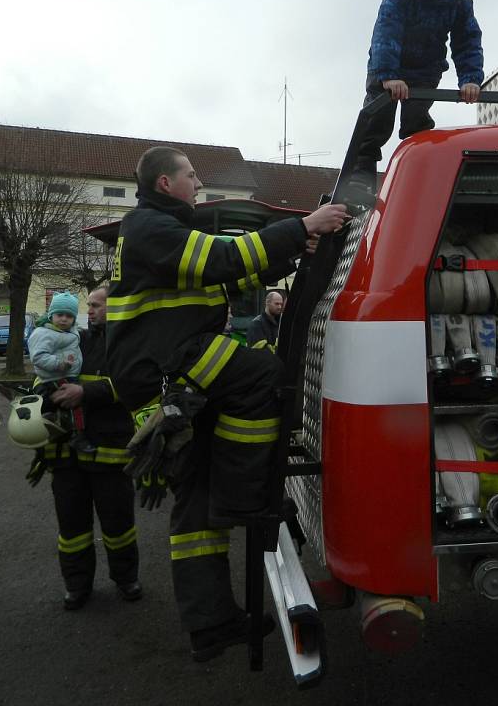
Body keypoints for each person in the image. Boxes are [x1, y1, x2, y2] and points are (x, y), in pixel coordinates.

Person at [106, 145, 347, 661]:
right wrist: (304, 224)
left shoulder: (157, 229)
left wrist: (290, 251)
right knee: (262, 372)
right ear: (166, 184)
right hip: (166, 364)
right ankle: (245, 495)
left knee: (195, 509)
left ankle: (212, 624)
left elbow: (228, 274)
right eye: (191, 176)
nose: (198, 183)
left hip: (164, 363)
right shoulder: (150, 228)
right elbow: (222, 258)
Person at [347, 0, 484, 204]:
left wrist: (470, 78)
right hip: (386, 69)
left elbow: (467, 40)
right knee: (376, 123)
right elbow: (386, 31)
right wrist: (388, 74)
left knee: (417, 123)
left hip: (424, 71)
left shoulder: (459, 2)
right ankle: (361, 181)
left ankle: (418, 174)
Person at [37, 285, 141, 610]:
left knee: (118, 522)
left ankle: (126, 578)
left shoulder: (129, 342)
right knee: (72, 526)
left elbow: (134, 385)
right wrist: (44, 394)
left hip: (109, 450)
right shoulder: (74, 339)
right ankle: (77, 585)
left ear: (116, 306)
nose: (90, 310)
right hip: (66, 452)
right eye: (90, 305)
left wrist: (85, 393)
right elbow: (45, 374)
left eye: (97, 304)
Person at [28, 290, 95, 455]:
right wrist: (59, 364)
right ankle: (77, 435)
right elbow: (38, 357)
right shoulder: (44, 333)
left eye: (69, 316)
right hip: (56, 376)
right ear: (51, 315)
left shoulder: (69, 332)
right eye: (59, 315)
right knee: (75, 404)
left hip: (65, 374)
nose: (64, 319)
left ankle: (53, 419)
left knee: (68, 405)